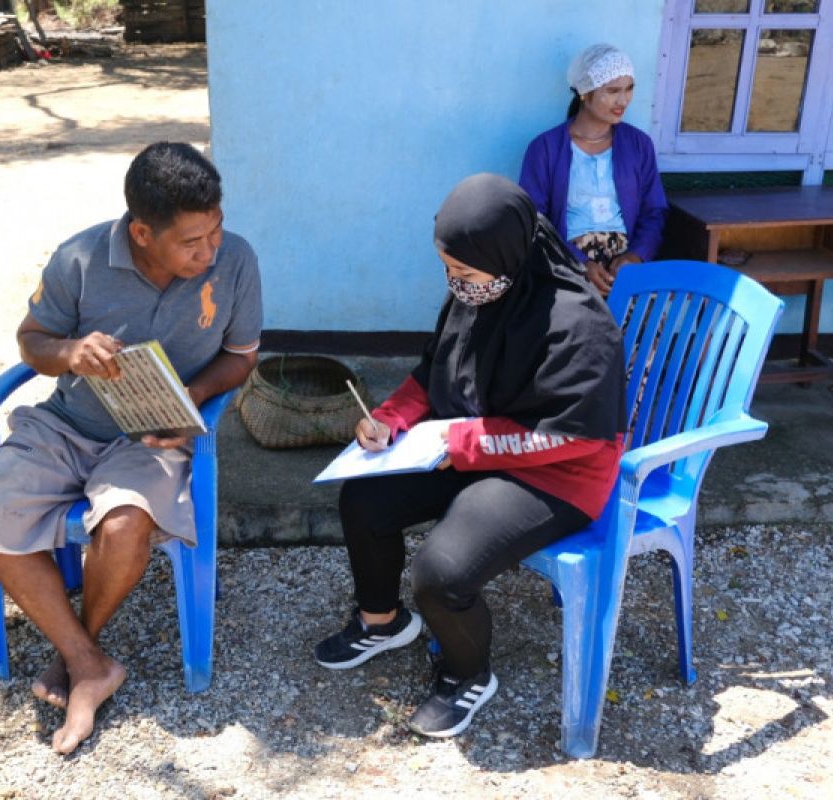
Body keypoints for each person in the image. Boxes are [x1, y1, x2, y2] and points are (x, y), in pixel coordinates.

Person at [0, 142, 262, 754]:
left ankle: (75, 655)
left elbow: (241, 357)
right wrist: (70, 354)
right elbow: (33, 341)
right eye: (191, 242)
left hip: (153, 434)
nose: (209, 252)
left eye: (216, 231)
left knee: (124, 525)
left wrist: (193, 400)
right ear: (142, 232)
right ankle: (87, 662)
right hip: (68, 423)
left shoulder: (235, 261)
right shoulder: (79, 259)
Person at [313, 174, 625, 739]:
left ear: (504, 258)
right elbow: (434, 375)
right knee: (364, 498)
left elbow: (573, 436)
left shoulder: (579, 326)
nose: (456, 286)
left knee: (442, 570)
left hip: (558, 473)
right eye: (448, 271)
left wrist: (463, 444)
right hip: (470, 447)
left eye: (465, 274)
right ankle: (382, 621)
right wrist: (390, 420)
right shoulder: (481, 291)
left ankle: (467, 674)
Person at [519, 43, 668, 297]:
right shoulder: (545, 148)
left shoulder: (638, 145)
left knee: (643, 329)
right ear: (584, 94)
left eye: (629, 89)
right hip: (565, 261)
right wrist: (580, 263)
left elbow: (654, 211)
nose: (623, 100)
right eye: (612, 91)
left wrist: (636, 256)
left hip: (624, 265)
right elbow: (534, 219)